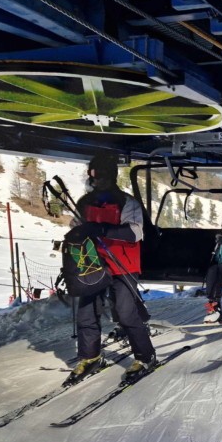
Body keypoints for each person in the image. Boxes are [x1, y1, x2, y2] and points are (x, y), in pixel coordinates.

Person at [66, 152, 156, 381]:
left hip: (122, 265)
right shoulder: (85, 203)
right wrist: (76, 233)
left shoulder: (127, 202)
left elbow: (135, 233)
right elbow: (77, 226)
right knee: (86, 314)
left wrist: (101, 228)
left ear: (113, 176)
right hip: (93, 265)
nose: (99, 179)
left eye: (104, 174)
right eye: (95, 175)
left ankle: (146, 356)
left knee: (126, 313)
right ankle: (90, 356)